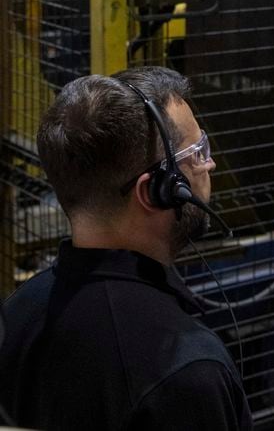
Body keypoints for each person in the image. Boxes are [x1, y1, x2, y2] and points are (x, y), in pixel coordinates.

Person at [0, 67, 252, 430]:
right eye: (198, 152)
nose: (210, 164)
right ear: (156, 191)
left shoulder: (15, 316)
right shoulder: (186, 372)